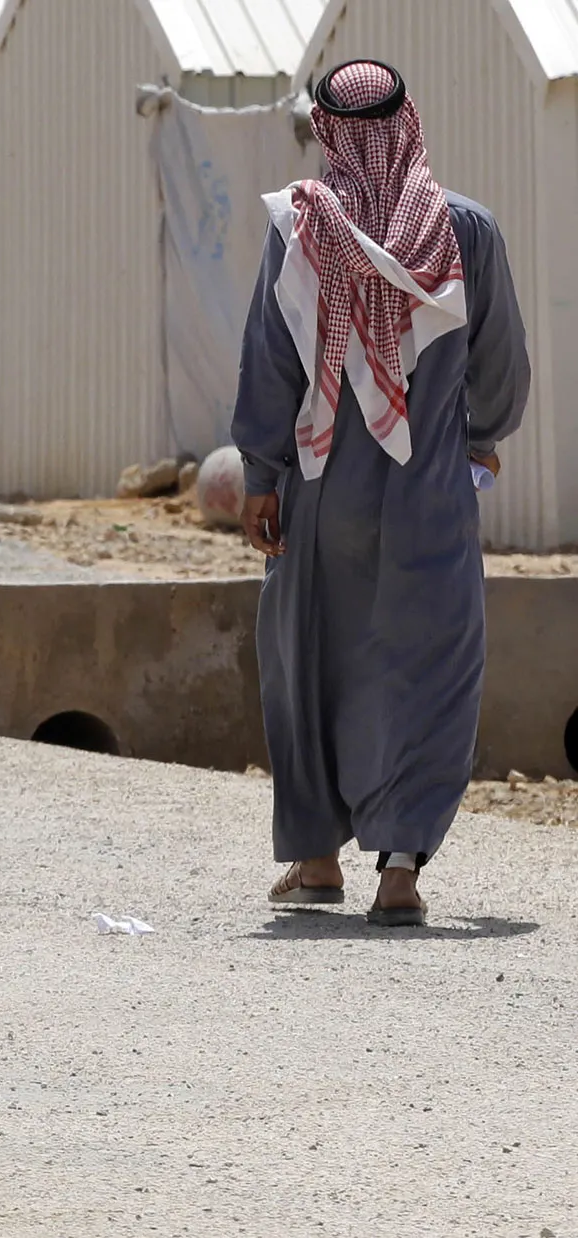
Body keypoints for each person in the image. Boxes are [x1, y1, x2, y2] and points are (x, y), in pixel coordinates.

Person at [232, 61, 529, 927]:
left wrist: (259, 474)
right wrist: (480, 439)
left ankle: (319, 859)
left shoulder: (299, 229)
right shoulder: (465, 232)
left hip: (319, 495)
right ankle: (399, 871)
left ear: (326, 131)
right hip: (430, 491)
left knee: (310, 661)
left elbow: (271, 365)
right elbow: (501, 365)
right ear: (409, 122)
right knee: (431, 669)